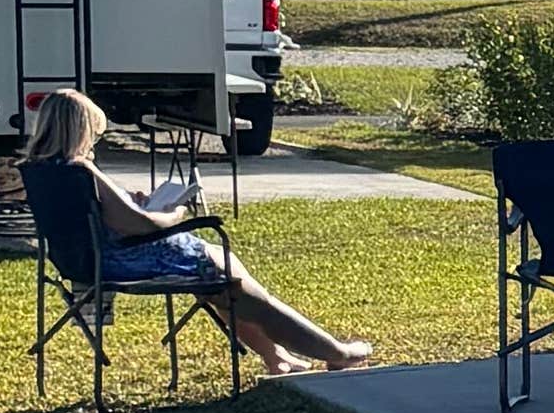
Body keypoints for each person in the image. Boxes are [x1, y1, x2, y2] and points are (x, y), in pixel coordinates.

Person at [23, 86, 376, 378]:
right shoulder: (80, 169)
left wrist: (132, 202)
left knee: (226, 278)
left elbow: (95, 214)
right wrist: (173, 211)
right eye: (93, 133)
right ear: (78, 129)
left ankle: (277, 358)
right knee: (236, 285)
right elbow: (139, 225)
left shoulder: (39, 170)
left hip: (81, 261)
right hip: (124, 259)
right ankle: (336, 352)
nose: (94, 141)